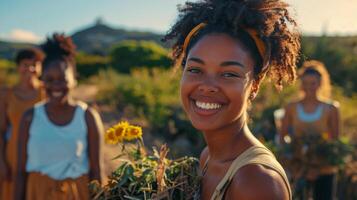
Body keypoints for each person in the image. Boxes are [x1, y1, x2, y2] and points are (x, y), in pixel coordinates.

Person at [163, 0, 300, 199]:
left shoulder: (257, 182)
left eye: (229, 74)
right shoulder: (207, 157)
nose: (207, 86)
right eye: (195, 69)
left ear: (254, 85)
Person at [14, 33, 103, 200]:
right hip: (38, 193)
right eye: (49, 79)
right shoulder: (30, 117)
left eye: (62, 79)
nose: (56, 85)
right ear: (42, 81)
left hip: (77, 193)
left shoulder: (87, 117)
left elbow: (96, 171)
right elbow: (20, 172)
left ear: (74, 80)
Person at [281, 60, 340, 200]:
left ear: (320, 83)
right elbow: (282, 136)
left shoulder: (331, 109)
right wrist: (295, 159)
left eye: (313, 83)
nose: (309, 87)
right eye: (305, 83)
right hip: (298, 169)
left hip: (324, 169)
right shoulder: (291, 107)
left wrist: (318, 165)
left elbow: (334, 141)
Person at [0, 48, 45, 200]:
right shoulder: (6, 94)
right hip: (13, 155)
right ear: (18, 67)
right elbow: (1, 130)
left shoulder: (48, 90)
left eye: (35, 64)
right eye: (25, 64)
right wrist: (1, 161)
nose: (30, 69)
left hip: (42, 155)